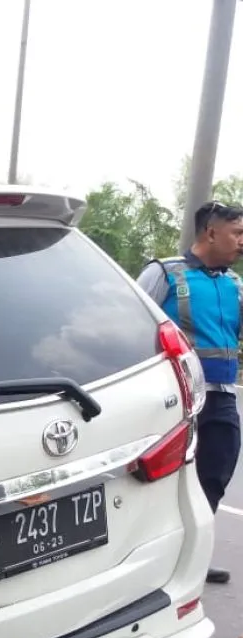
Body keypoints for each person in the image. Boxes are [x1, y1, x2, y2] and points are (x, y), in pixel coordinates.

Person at [137, 200, 243, 586]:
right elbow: (131, 323)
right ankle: (150, 564)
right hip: (176, 401)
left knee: (214, 475)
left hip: (221, 398)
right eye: (238, 233)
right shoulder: (164, 273)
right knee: (162, 484)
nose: (242, 242)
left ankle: (191, 556)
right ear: (211, 232)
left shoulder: (232, 284)